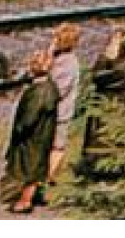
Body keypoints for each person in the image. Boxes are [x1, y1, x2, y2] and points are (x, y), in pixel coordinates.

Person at [81, 31, 125, 172]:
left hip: (111, 109)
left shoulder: (119, 69)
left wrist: (105, 57)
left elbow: (97, 77)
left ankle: (102, 169)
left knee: (104, 143)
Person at [3, 50, 59, 214]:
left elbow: (29, 118)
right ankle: (29, 197)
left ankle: (25, 201)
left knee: (29, 168)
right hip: (42, 135)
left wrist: (20, 129)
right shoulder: (49, 87)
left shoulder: (38, 92)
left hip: (32, 137)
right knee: (35, 166)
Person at [49, 23, 82, 182]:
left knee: (58, 145)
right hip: (53, 110)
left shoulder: (69, 64)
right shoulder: (58, 58)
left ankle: (50, 176)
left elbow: (59, 90)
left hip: (61, 111)